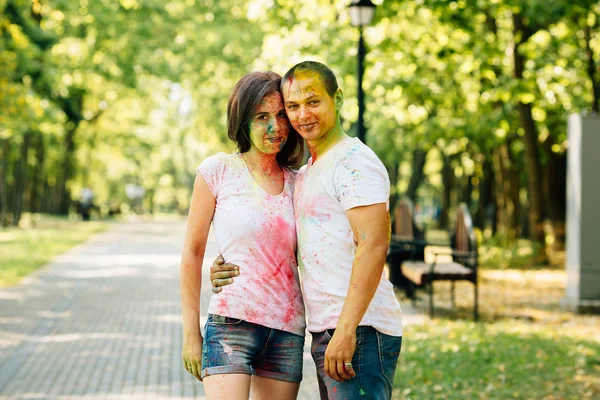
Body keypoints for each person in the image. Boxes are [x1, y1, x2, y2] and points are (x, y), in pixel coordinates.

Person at [210, 61, 403, 400]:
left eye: (313, 102)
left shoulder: (354, 161)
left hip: (360, 329)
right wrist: (226, 265)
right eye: (293, 107)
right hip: (326, 328)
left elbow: (373, 246)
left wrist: (346, 330)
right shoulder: (308, 172)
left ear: (337, 99)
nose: (302, 115)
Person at [179, 71, 306, 400]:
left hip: (287, 330)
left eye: (281, 115)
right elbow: (192, 253)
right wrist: (191, 334)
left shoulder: (301, 182)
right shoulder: (217, 171)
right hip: (230, 325)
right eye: (261, 116)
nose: (274, 127)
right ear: (242, 120)